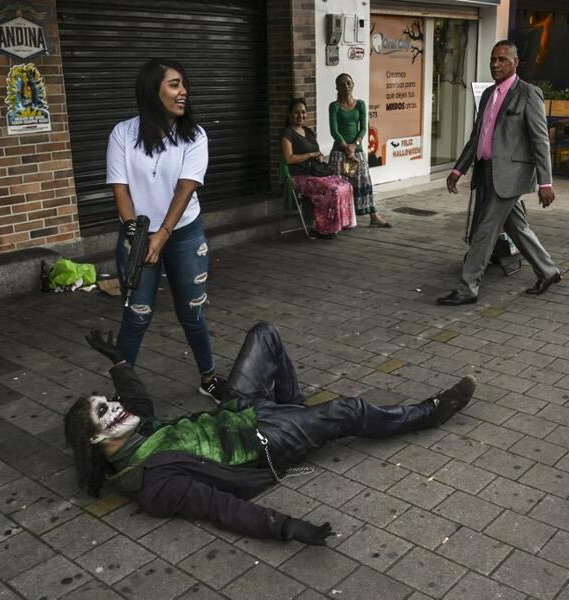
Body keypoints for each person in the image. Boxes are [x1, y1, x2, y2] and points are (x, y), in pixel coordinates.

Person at [64, 323, 476, 543]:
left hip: (240, 409)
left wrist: (119, 363)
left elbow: (139, 401)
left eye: (109, 399)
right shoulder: (153, 483)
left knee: (265, 334)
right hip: (264, 440)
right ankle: (427, 415)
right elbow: (219, 508)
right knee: (346, 411)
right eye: (105, 409)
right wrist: (285, 527)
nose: (117, 405)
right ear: (97, 439)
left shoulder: (136, 433)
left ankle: (296, 407)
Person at [106, 58, 227, 402]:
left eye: (183, 84)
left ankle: (208, 377)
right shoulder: (123, 134)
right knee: (136, 315)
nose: (183, 91)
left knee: (192, 312)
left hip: (184, 234)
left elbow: (185, 189)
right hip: (137, 235)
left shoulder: (195, 136)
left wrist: (161, 236)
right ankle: (123, 393)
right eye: (174, 84)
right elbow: (120, 190)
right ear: (152, 90)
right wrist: (136, 236)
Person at [438, 40, 561, 305]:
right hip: (487, 171)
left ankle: (467, 288)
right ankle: (548, 270)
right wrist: (459, 169)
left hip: (511, 175)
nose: (495, 64)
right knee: (516, 226)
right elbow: (477, 137)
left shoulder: (529, 93)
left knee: (485, 230)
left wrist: (546, 182)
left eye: (502, 59)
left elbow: (541, 140)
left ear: (515, 63)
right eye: (493, 59)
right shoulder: (488, 94)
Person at [281, 98, 355, 238]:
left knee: (346, 185)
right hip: (299, 176)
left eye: (303, 112)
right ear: (290, 115)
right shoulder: (288, 134)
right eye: (296, 113)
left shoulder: (308, 131)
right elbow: (288, 158)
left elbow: (316, 151)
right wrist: (309, 155)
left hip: (315, 171)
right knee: (331, 189)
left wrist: (319, 156)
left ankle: (339, 224)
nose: (300, 115)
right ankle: (324, 228)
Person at [328, 73, 391, 227]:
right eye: (342, 84)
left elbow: (363, 128)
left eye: (349, 83)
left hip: (357, 150)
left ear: (353, 84)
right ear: (337, 87)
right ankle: (338, 218)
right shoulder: (334, 106)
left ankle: (373, 216)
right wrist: (346, 147)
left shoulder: (360, 104)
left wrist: (354, 145)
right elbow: (334, 131)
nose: (346, 87)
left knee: (363, 181)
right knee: (339, 185)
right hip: (339, 151)